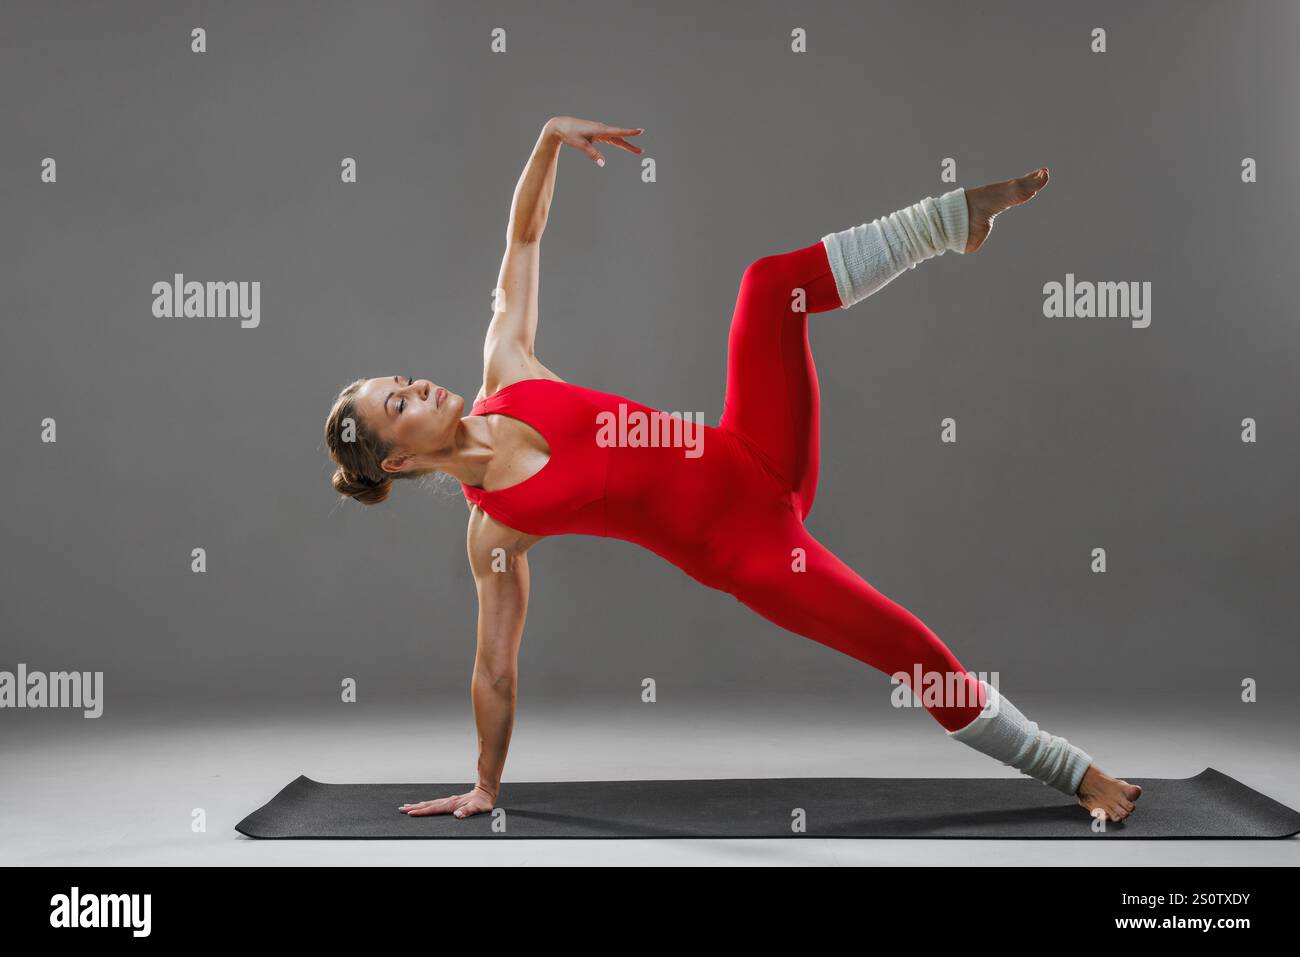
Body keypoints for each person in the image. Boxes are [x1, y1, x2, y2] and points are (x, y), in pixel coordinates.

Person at [324, 115, 1142, 824]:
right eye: (398, 406)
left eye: (399, 379)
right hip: (755, 553)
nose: (415, 386)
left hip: (755, 448)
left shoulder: (509, 369)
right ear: (397, 459)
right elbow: (494, 667)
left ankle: (953, 220)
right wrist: (484, 784)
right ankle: (1074, 771)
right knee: (905, 644)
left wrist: (547, 140)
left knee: (767, 286)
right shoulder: (494, 528)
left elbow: (524, 239)